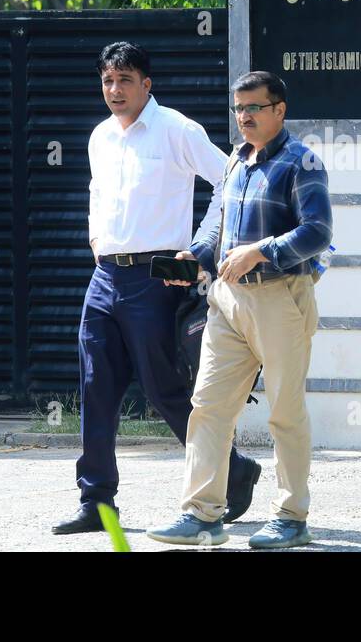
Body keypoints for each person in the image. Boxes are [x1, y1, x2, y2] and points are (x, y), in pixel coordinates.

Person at [52, 42, 261, 535]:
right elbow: (97, 192)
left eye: (125, 80)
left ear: (147, 84)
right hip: (104, 276)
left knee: (164, 389)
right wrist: (95, 236)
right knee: (95, 386)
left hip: (157, 277)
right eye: (107, 80)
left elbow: (229, 181)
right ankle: (97, 501)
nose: (115, 90)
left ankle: (231, 471)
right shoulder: (100, 137)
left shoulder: (177, 129)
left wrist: (199, 247)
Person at [146, 71, 332, 549]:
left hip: (279, 297)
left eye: (254, 107)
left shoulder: (302, 162)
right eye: (238, 108)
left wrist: (262, 250)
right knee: (208, 406)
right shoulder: (236, 160)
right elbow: (222, 231)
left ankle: (291, 517)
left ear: (280, 110)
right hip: (226, 301)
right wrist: (195, 256)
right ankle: (202, 514)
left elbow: (317, 232)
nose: (244, 117)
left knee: (285, 412)